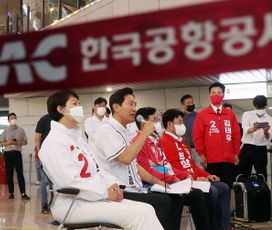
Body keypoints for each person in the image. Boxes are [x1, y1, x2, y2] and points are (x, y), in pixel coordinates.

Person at [39, 90, 163, 230]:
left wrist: (112, 183)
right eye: (75, 104)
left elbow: (98, 168)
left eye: (79, 103)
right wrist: (105, 193)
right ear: (61, 109)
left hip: (93, 198)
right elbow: (70, 182)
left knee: (147, 209)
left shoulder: (78, 138)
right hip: (72, 204)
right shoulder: (53, 142)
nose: (80, 107)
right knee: (138, 215)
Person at [93, 87, 184, 230]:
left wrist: (159, 182)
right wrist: (144, 134)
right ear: (116, 107)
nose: (134, 108)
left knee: (176, 198)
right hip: (120, 190)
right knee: (163, 202)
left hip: (137, 188)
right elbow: (126, 158)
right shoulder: (107, 129)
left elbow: (135, 165)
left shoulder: (125, 131)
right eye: (130, 104)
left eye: (135, 104)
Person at [133, 107, 211, 230]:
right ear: (143, 124)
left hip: (168, 182)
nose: (157, 124)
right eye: (154, 120)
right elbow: (146, 170)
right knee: (178, 198)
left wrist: (184, 175)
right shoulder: (138, 142)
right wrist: (172, 178)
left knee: (198, 194)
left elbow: (167, 165)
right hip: (153, 184)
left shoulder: (155, 140)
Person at [160, 109, 231, 230]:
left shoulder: (181, 142)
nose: (182, 125)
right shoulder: (164, 142)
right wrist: (196, 178)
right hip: (183, 181)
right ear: (169, 124)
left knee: (223, 187)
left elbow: (191, 165)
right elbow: (171, 167)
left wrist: (207, 175)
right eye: (179, 122)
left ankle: (223, 226)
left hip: (195, 179)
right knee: (212, 191)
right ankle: (211, 226)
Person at [193, 82, 241, 189]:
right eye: (213, 92)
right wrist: (201, 154)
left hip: (228, 159)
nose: (216, 95)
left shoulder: (230, 114)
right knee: (213, 188)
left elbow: (236, 135)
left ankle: (225, 206)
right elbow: (198, 136)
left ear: (223, 95)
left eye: (219, 92)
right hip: (211, 159)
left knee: (227, 186)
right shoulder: (202, 114)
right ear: (209, 95)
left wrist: (236, 153)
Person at [239, 95, 272, 181]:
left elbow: (269, 137)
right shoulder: (247, 114)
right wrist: (254, 128)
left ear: (265, 106)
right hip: (247, 147)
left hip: (261, 149)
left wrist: (265, 131)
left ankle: (262, 193)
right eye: (258, 106)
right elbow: (245, 130)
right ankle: (243, 193)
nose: (260, 109)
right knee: (243, 174)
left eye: (261, 106)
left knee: (261, 175)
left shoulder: (270, 119)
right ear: (254, 105)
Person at [0, 113, 30, 200]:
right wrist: (10, 142)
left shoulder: (21, 130)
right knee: (9, 173)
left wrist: (18, 143)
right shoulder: (5, 131)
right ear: (8, 120)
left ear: (16, 119)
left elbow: (25, 142)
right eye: (11, 118)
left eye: (14, 118)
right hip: (8, 153)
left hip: (17, 153)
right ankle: (11, 193)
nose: (13, 119)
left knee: (20, 173)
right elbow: (1, 143)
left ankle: (23, 193)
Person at [34, 114, 52, 213]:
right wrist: (40, 152)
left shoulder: (62, 118)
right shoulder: (44, 119)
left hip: (59, 154)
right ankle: (44, 204)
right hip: (45, 154)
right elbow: (37, 138)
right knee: (44, 180)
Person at [181, 94, 201, 167]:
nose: (191, 104)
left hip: (198, 149)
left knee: (200, 168)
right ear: (183, 105)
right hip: (185, 148)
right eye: (188, 103)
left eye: (192, 102)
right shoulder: (180, 117)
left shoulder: (199, 116)